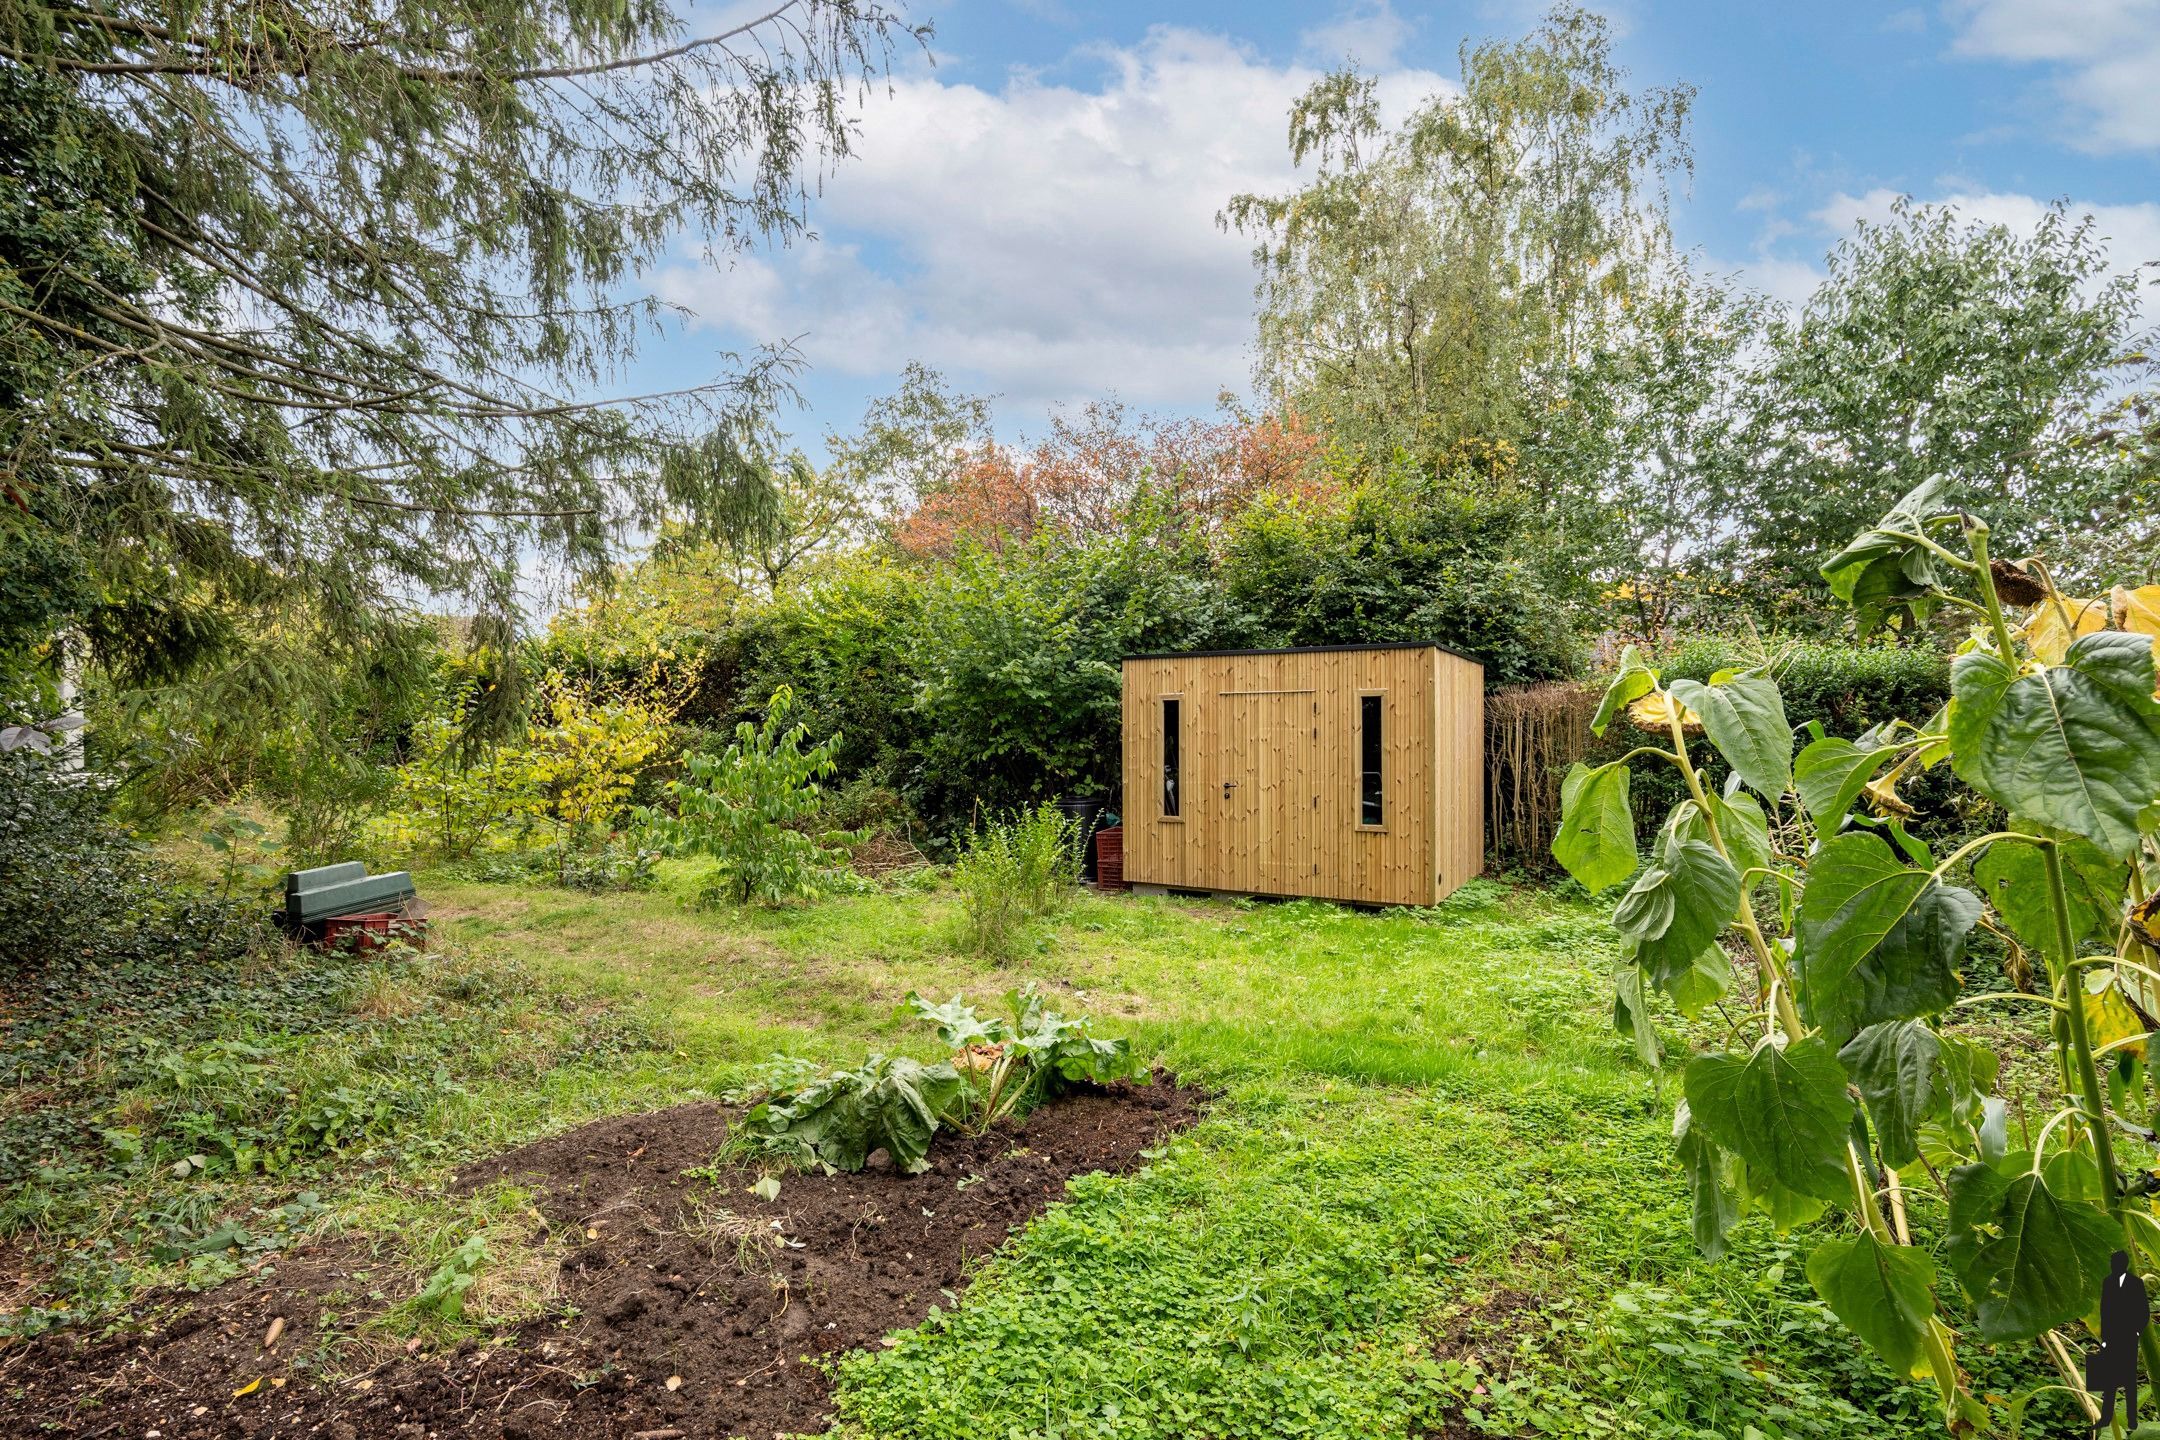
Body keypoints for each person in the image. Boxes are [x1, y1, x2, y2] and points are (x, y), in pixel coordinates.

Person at [2089, 1249, 2151, 1438]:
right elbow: (2104, 1311)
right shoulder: (2107, 1282)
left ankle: (2132, 1419)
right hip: (2111, 1337)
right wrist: (2104, 1338)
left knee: (2130, 1378)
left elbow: (2143, 1310)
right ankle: (2106, 1418)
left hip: (2129, 1336)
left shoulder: (2135, 1283)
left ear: (2124, 1264)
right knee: (2109, 1379)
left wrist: (2137, 1331)